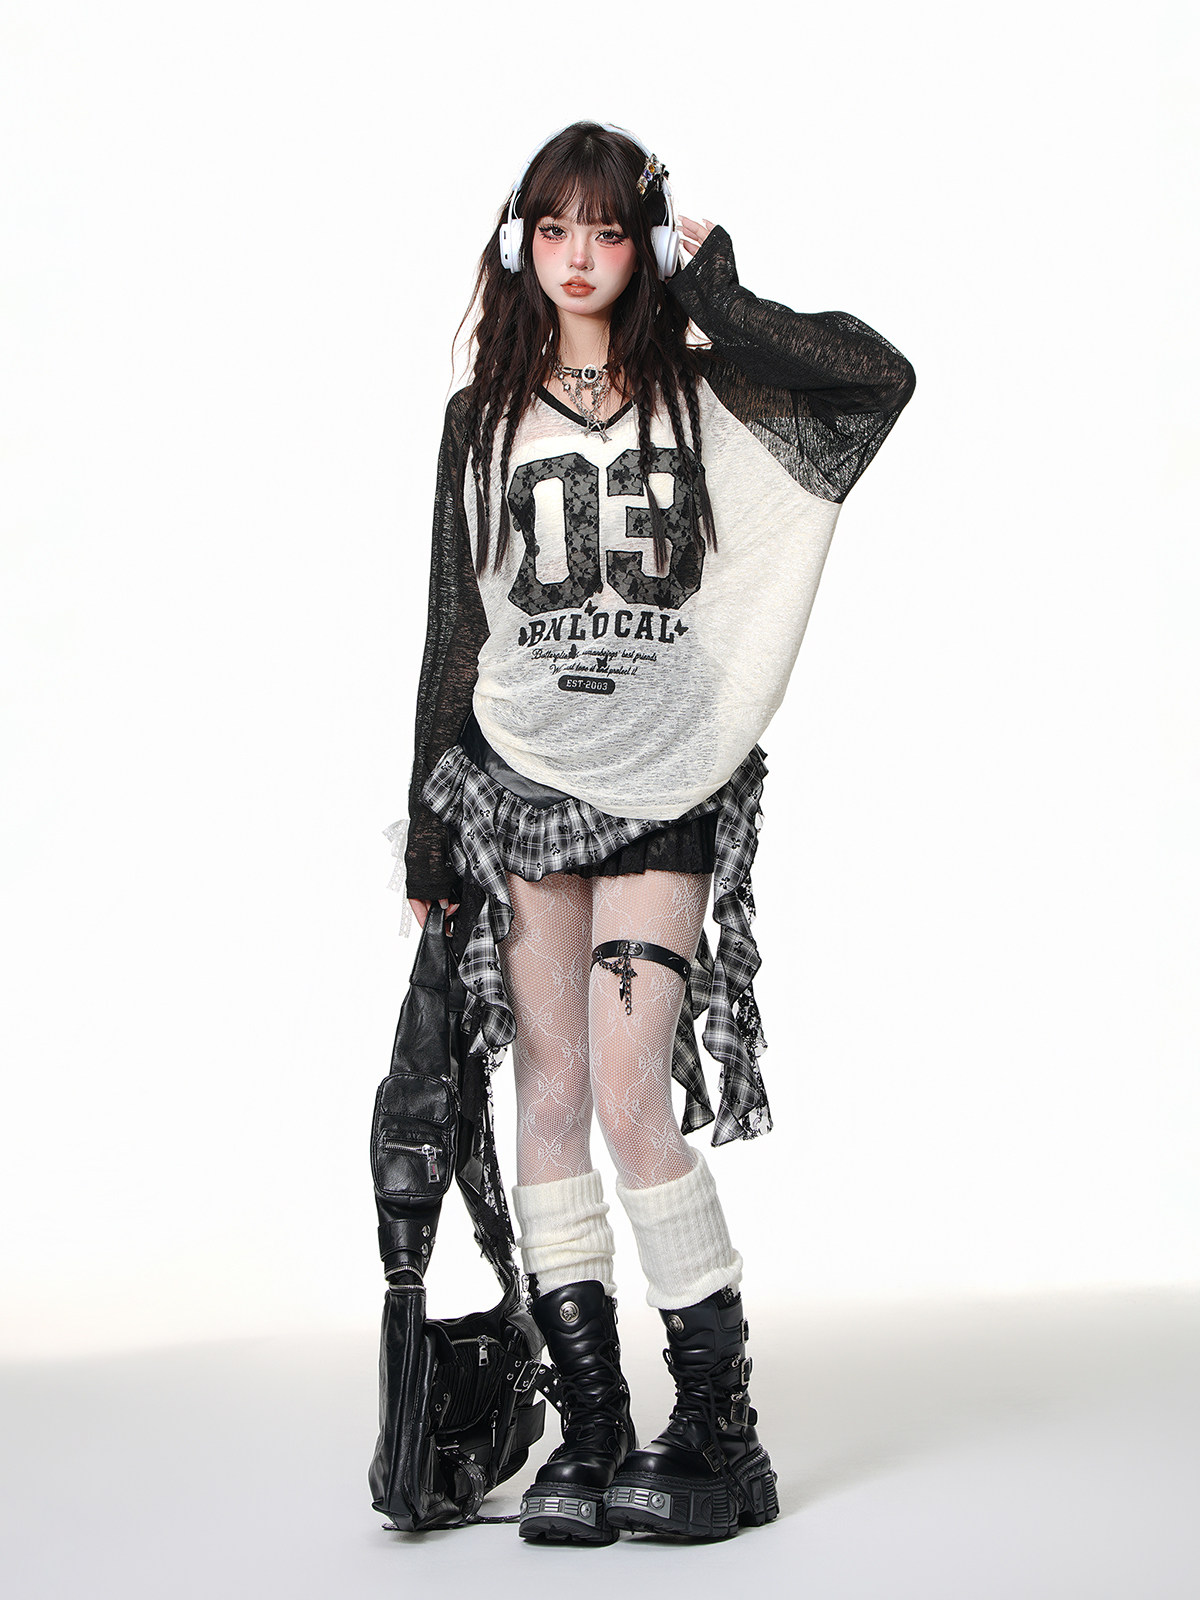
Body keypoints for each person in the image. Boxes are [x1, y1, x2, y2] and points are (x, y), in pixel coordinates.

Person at [386, 121, 915, 1542]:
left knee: (633, 1097)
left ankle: (722, 1435)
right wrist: (431, 833)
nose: (579, 256)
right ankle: (593, 1431)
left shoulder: (702, 390)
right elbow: (453, 626)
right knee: (550, 1095)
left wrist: (715, 289)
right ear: (520, 242)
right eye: (556, 227)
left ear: (640, 242)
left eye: (609, 229)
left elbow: (874, 380)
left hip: (667, 781)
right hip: (519, 780)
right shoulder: (481, 420)